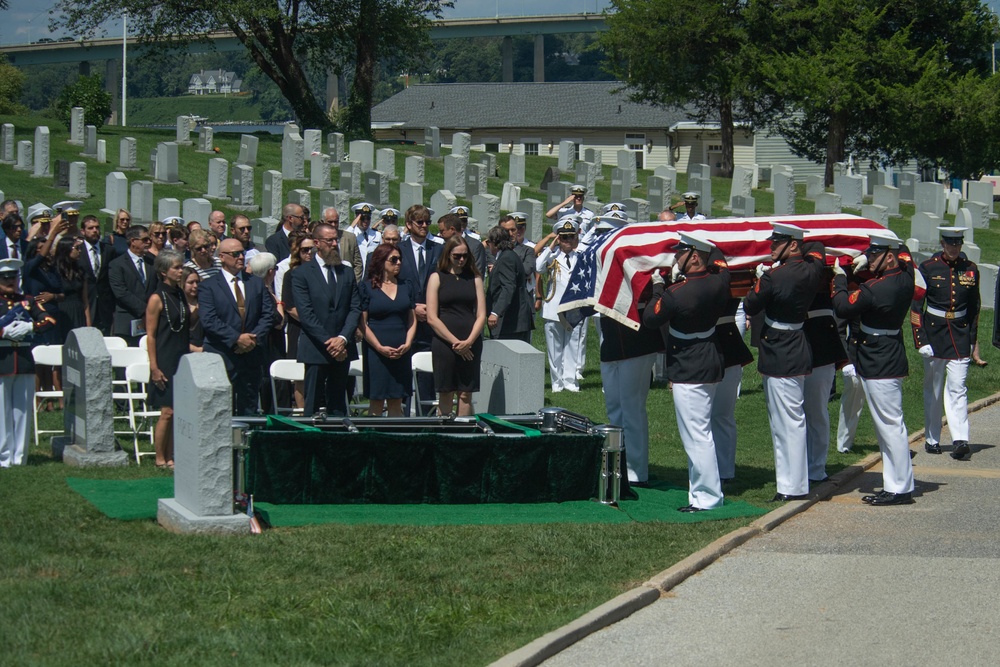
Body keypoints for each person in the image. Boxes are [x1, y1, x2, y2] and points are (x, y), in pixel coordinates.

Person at [643, 231, 730, 511]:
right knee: (701, 432)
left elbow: (651, 318)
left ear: (694, 257)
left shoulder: (676, 294)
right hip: (710, 360)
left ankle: (707, 497)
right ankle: (701, 492)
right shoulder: (719, 283)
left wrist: (658, 286)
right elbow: (719, 261)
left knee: (696, 435)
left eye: (680, 253)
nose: (675, 257)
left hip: (689, 367)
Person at [743, 222, 826, 502]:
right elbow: (817, 249)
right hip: (798, 345)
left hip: (780, 351)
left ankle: (792, 487)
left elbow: (751, 304)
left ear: (792, 245)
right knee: (792, 419)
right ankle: (793, 482)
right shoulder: (813, 270)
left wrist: (759, 278)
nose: (770, 248)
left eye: (776, 244)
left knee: (786, 423)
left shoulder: (773, 277)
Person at [832, 230, 916, 505]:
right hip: (886, 354)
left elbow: (843, 306)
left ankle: (900, 488)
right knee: (888, 426)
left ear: (889, 258)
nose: (869, 258)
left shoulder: (875, 289)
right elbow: (905, 254)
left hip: (879, 360)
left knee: (890, 425)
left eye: (875, 254)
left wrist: (841, 278)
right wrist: (869, 259)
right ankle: (894, 483)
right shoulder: (905, 276)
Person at [913, 226, 981, 460]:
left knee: (958, 388)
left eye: (958, 244)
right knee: (933, 389)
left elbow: (974, 308)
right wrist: (919, 338)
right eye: (950, 244)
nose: (954, 248)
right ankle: (932, 438)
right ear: (942, 244)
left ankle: (960, 439)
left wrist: (973, 340)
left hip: (960, 335)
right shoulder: (928, 268)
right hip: (934, 334)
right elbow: (916, 307)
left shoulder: (970, 270)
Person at [198, 238, 275, 415]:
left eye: (242, 253)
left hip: (251, 354)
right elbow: (209, 320)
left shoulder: (255, 283)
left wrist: (252, 339)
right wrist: (236, 339)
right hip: (223, 353)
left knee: (249, 403)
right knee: (220, 406)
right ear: (222, 257)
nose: (241, 257)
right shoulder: (208, 286)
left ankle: (247, 439)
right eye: (235, 254)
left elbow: (267, 314)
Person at [291, 223, 361, 417]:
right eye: (329, 240)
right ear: (317, 243)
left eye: (335, 240)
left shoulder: (345, 272)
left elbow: (354, 308)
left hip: (343, 347)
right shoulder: (301, 274)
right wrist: (330, 343)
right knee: (312, 401)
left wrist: (343, 339)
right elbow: (306, 314)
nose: (334, 244)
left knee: (338, 403)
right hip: (316, 347)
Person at [0, 258, 56, 467]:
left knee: (22, 411)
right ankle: (3, 458)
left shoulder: (27, 301)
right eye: (5, 278)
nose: (10, 282)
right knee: (2, 413)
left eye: (13, 278)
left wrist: (31, 328)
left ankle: (20, 456)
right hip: (2, 361)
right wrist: (3, 331)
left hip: (23, 361)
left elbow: (49, 321)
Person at [802, 242, 847, 483]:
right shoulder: (790, 272)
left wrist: (842, 275)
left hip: (821, 345)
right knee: (795, 415)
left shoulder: (818, 274)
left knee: (816, 411)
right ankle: (799, 467)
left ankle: (817, 468)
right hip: (794, 347)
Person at [426, 235, 486, 417]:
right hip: (445, 343)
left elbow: (481, 314)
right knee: (446, 392)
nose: (461, 260)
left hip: (471, 342)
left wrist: (468, 342)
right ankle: (445, 433)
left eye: (465, 256)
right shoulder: (437, 277)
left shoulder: (474, 278)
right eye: (457, 256)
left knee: (465, 393)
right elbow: (432, 317)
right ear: (448, 255)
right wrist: (456, 343)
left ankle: (464, 434)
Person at [144, 250, 189, 470]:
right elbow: (150, 335)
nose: (181, 271)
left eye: (181, 267)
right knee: (167, 411)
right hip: (164, 356)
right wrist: (154, 366)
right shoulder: (156, 298)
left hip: (181, 354)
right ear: (163, 271)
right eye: (176, 268)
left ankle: (172, 455)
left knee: (177, 410)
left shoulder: (179, 294)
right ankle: (159, 457)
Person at [359, 243, 416, 417]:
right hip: (376, 351)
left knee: (396, 399)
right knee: (376, 401)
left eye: (400, 259)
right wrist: (378, 347)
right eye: (393, 259)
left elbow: (412, 320)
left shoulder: (406, 286)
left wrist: (407, 343)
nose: (398, 263)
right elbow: (362, 323)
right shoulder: (367, 287)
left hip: (401, 349)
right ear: (382, 261)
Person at [397, 205, 441, 414]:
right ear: (408, 225)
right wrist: (413, 307)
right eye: (419, 222)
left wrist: (430, 308)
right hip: (405, 320)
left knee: (427, 374)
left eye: (427, 222)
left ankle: (428, 418)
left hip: (431, 323)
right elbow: (394, 284)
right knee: (403, 373)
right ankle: (403, 417)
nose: (424, 226)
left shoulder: (438, 249)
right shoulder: (399, 251)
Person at [535, 216, 586, 392]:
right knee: (554, 347)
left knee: (572, 346)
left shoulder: (581, 256)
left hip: (574, 308)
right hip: (553, 308)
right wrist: (551, 246)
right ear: (559, 239)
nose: (567, 241)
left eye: (571, 237)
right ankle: (557, 381)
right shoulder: (552, 256)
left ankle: (570, 380)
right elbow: (538, 267)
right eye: (563, 237)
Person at [278, 231, 313, 412]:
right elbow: (289, 307)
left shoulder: (322, 273)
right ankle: (302, 412)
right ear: (297, 252)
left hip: (320, 330)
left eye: (312, 249)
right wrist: (312, 321)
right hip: (299, 328)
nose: (309, 253)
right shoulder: (291, 275)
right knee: (300, 374)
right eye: (304, 250)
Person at [108, 225, 158, 346]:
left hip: (151, 321)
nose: (149, 242)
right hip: (127, 321)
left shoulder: (152, 262)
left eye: (149, 239)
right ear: (133, 241)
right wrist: (145, 309)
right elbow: (121, 292)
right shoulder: (117, 265)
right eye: (145, 239)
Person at [248, 252, 284, 413]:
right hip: (269, 346)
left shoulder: (250, 290)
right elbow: (279, 321)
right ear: (270, 271)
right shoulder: (265, 293)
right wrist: (278, 301)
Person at [485, 225, 533, 343]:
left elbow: (508, 287)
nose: (487, 245)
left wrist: (495, 312)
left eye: (488, 242)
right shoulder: (508, 255)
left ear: (495, 243)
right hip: (512, 322)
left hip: (510, 322)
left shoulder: (506, 258)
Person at [79, 215, 115, 334]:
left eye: (97, 227)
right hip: (86, 303)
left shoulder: (108, 250)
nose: (95, 230)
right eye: (90, 228)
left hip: (105, 305)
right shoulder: (77, 251)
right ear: (83, 231)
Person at [53, 235, 91, 342]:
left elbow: (85, 300)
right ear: (66, 249)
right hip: (62, 312)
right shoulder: (55, 271)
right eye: (76, 248)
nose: (79, 251)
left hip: (78, 311)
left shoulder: (80, 271)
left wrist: (88, 324)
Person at [323, 207, 363, 282]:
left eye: (336, 222)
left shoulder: (350, 238)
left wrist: (353, 282)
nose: (333, 225)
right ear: (323, 221)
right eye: (330, 222)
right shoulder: (319, 239)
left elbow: (358, 264)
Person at [350, 203, 382, 273]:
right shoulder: (351, 234)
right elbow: (343, 241)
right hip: (356, 274)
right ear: (356, 218)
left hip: (372, 274)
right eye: (362, 218)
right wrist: (351, 226)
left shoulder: (377, 235)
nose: (366, 221)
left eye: (368, 218)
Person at [181, 266, 203, 352]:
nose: (195, 286)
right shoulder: (178, 304)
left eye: (197, 282)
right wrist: (194, 349)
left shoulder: (203, 302)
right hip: (183, 349)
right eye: (191, 282)